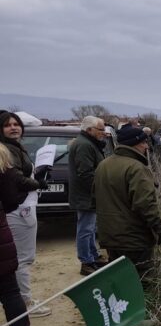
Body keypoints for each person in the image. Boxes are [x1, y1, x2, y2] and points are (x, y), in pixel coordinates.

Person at [0, 143, 51, 326]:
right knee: (12, 298)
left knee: (12, 297)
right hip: (2, 243)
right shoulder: (3, 159)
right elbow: (12, 200)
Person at [94, 125, 161, 281]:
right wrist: (158, 227)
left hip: (109, 234)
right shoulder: (136, 168)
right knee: (141, 280)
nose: (147, 146)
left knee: (119, 279)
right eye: (144, 142)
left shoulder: (103, 165)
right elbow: (145, 204)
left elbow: (95, 197)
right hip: (133, 238)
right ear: (135, 144)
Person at [0, 111, 51, 317]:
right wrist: (38, 183)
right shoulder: (7, 150)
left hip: (20, 207)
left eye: (16, 124)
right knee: (22, 258)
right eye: (7, 125)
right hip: (19, 209)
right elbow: (16, 180)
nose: (14, 127)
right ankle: (25, 303)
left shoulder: (13, 148)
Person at [68, 116, 108, 276]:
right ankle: (86, 261)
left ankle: (93, 256)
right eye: (101, 129)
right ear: (89, 130)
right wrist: (100, 191)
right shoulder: (84, 145)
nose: (104, 132)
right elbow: (86, 174)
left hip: (88, 195)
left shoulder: (88, 143)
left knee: (90, 228)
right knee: (85, 229)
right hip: (86, 196)